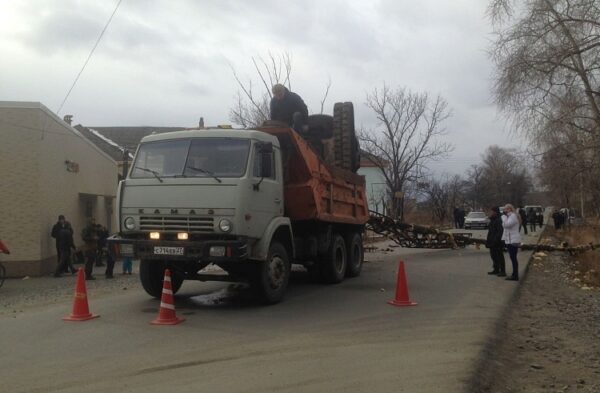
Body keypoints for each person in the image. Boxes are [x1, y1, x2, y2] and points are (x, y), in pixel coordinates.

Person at [501, 204, 521, 281]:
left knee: (513, 258)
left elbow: (506, 225)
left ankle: (515, 276)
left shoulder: (512, 216)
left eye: (505, 209)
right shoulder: (510, 216)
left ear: (509, 209)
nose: (504, 211)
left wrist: (503, 218)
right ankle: (514, 274)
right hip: (510, 240)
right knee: (513, 258)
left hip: (513, 240)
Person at [486, 206, 506, 277]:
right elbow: (490, 231)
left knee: (499, 256)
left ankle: (503, 271)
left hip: (497, 242)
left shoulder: (499, 220)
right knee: (493, 256)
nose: (490, 213)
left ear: (495, 212)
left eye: (491, 211)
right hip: (492, 241)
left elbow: (500, 232)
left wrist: (496, 240)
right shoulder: (493, 219)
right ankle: (496, 269)